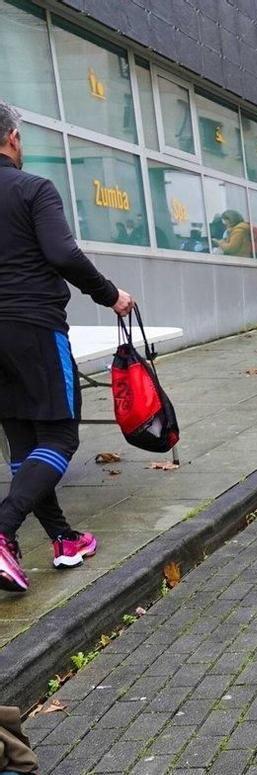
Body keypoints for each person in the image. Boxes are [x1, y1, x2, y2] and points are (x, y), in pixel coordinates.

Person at [0, 100, 133, 593]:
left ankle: (63, 538)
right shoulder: (33, 188)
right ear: (13, 138)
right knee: (59, 436)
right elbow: (62, 253)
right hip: (33, 325)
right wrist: (110, 294)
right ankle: (3, 527)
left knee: (23, 440)